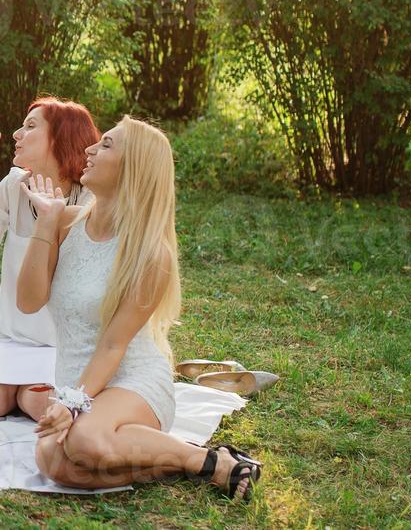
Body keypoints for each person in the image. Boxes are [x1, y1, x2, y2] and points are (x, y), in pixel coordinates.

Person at [20, 117, 263, 500]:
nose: (90, 150)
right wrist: (46, 223)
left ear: (134, 168)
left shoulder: (151, 253)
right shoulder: (65, 221)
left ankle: (211, 462)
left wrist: (69, 402)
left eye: (106, 145)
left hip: (131, 380)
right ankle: (180, 464)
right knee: (55, 465)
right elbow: (28, 300)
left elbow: (113, 346)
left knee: (84, 442)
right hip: (79, 380)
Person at [0, 98, 100, 420]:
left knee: (38, 405)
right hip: (8, 333)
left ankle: (29, 390)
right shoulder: (14, 184)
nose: (17, 133)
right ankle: (15, 387)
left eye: (31, 126)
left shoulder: (91, 198)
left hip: (60, 341)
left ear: (62, 138)